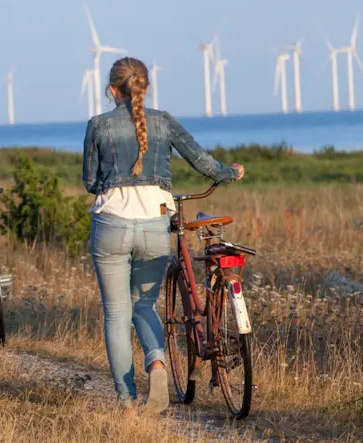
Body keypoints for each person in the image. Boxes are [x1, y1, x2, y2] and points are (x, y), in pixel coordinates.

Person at [82, 57, 244, 417]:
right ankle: (157, 364)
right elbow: (202, 162)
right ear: (145, 87)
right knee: (144, 305)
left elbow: (91, 182)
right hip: (155, 224)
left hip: (111, 225)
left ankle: (126, 402)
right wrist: (229, 172)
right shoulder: (164, 120)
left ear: (112, 90)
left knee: (116, 314)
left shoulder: (97, 125)